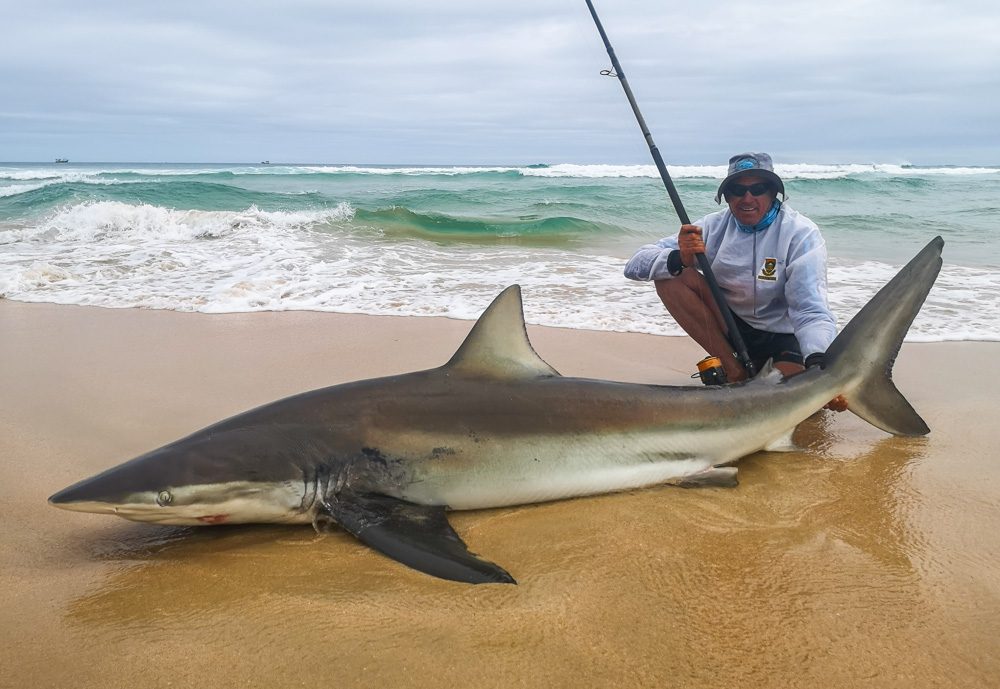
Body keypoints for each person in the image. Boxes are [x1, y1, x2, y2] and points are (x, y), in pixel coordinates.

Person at [624, 152, 847, 411]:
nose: (747, 198)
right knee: (669, 277)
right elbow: (634, 264)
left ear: (773, 191)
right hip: (731, 326)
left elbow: (810, 312)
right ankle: (734, 372)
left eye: (758, 188)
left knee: (793, 405)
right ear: (726, 196)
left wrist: (819, 365)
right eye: (737, 190)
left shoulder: (800, 233)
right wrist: (679, 258)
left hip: (783, 336)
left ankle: (778, 375)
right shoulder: (711, 227)